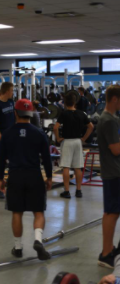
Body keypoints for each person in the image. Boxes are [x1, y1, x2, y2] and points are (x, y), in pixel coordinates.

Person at [0, 99, 52, 259]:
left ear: (15, 113)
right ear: (30, 114)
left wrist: (0, 178)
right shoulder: (39, 133)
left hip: (15, 176)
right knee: (38, 212)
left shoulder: (7, 133)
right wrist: (49, 176)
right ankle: (37, 240)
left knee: (17, 213)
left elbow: (1, 159)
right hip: (34, 175)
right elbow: (47, 158)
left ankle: (18, 247)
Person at [53, 92, 94, 199]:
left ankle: (67, 192)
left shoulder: (64, 113)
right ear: (75, 102)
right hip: (77, 142)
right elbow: (91, 126)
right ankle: (78, 191)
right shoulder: (82, 113)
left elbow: (55, 127)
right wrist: (84, 139)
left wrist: (58, 138)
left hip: (67, 141)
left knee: (66, 166)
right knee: (77, 167)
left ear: (65, 103)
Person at [97, 85, 120, 269]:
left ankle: (109, 249)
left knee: (112, 211)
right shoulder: (109, 120)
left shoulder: (112, 118)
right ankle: (106, 254)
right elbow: (116, 149)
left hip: (113, 171)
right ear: (114, 99)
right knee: (112, 213)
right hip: (114, 173)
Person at [0, 82, 15, 199]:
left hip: (12, 138)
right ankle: (0, 189)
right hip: (2, 139)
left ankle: (11, 186)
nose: (13, 92)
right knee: (1, 165)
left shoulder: (11, 102)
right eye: (11, 90)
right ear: (6, 91)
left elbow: (14, 119)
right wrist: (1, 138)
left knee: (13, 163)